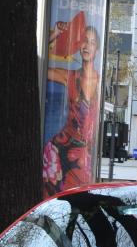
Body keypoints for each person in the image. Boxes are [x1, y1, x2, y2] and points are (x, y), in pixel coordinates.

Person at [43, 19, 102, 198]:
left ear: (97, 49)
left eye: (92, 42)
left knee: (78, 201)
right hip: (60, 149)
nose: (87, 45)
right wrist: (54, 35)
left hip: (83, 154)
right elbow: (41, 65)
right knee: (51, 202)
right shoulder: (70, 76)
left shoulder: (101, 81)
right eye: (84, 40)